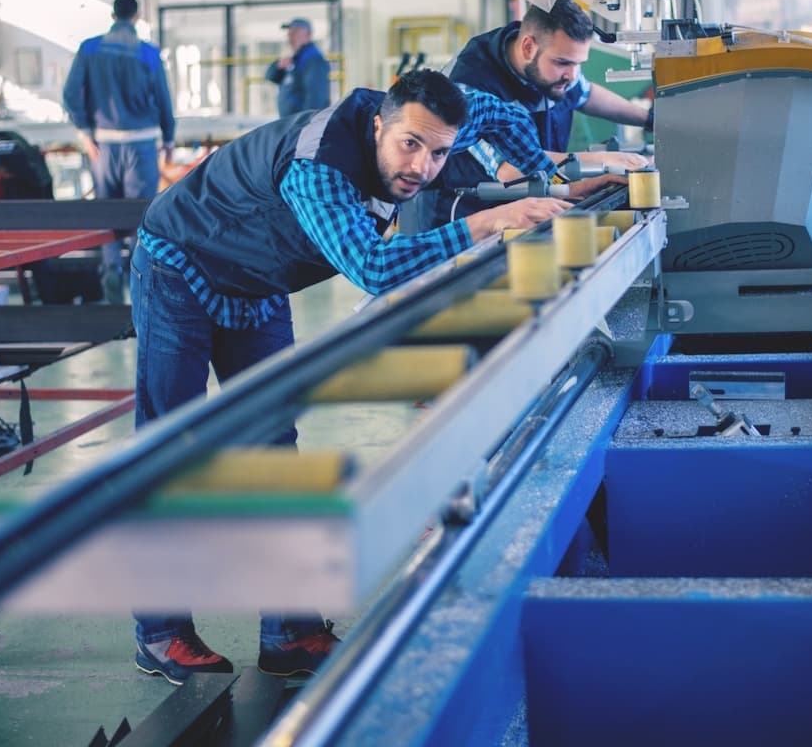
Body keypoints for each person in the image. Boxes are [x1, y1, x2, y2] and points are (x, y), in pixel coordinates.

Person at [130, 69, 570, 685]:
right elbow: (373, 267)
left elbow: (506, 115)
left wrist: (550, 175)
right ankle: (160, 632)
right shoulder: (319, 169)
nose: (422, 167)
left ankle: (288, 632)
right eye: (409, 145)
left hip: (259, 277)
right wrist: (491, 220)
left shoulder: (440, 118)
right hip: (181, 263)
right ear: (378, 125)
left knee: (273, 451)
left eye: (439, 153)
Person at [411, 0, 652, 229]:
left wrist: (650, 120)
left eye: (578, 64)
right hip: (464, 217)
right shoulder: (471, 84)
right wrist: (603, 159)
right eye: (563, 62)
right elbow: (509, 169)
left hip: (528, 206)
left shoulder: (551, 64)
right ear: (527, 48)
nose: (572, 75)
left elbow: (585, 95)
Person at [63, 0, 175, 305]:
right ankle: (140, 288)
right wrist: (168, 139)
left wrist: (85, 133)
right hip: (141, 145)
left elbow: (70, 94)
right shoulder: (149, 53)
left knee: (108, 216)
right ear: (137, 16)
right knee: (141, 218)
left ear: (112, 15)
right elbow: (164, 98)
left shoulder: (90, 48)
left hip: (104, 146)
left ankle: (111, 274)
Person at [266, 17, 331, 117]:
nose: (290, 37)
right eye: (289, 33)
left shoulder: (313, 60)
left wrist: (307, 121)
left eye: (295, 33)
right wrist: (278, 66)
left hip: (302, 123)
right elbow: (271, 77)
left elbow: (316, 97)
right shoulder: (295, 59)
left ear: (308, 36)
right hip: (291, 122)